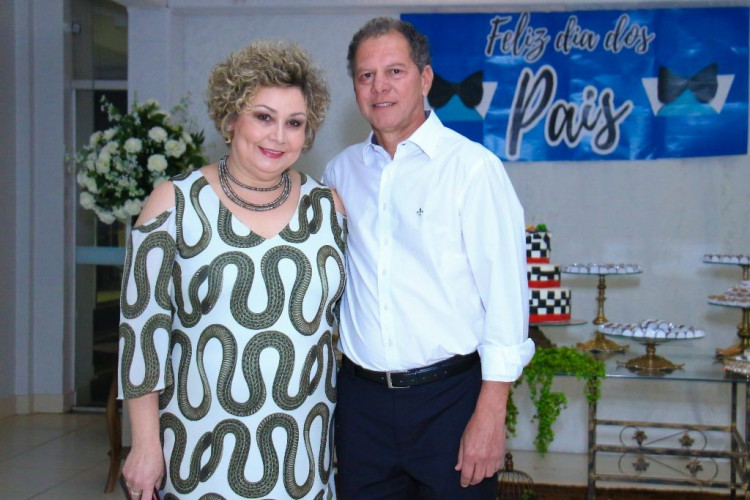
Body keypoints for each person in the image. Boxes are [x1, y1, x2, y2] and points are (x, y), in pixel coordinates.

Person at [118, 40, 345, 500]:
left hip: (303, 449)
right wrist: (144, 445)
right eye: (263, 116)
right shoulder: (173, 203)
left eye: (294, 123)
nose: (278, 136)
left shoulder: (327, 208)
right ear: (230, 118)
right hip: (199, 447)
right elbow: (142, 335)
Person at [322, 17, 534, 500]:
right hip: (362, 408)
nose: (379, 87)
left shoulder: (473, 169)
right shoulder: (340, 173)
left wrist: (491, 412)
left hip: (450, 402)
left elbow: (506, 298)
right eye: (366, 75)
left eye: (394, 71)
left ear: (426, 78)